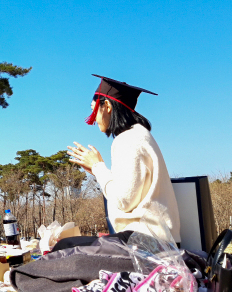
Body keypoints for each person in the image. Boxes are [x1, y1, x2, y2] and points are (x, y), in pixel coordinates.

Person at [61, 74, 181, 250]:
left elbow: (124, 201)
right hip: (155, 240)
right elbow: (131, 193)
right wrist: (97, 171)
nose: (92, 117)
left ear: (107, 106)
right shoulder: (139, 135)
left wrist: (98, 167)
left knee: (65, 246)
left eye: (93, 108)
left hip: (147, 244)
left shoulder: (128, 139)